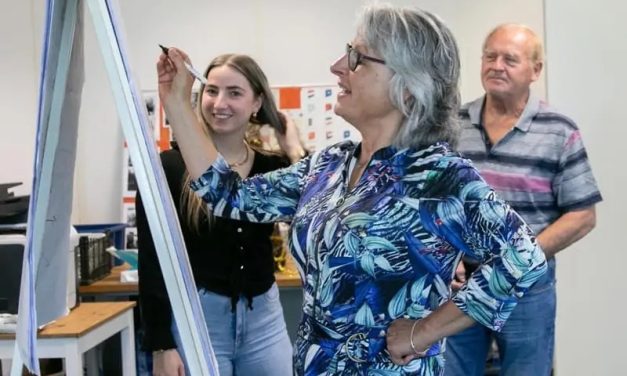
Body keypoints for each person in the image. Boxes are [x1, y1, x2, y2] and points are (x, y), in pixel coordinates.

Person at [156, 4, 548, 375]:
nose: (338, 67)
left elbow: (523, 259)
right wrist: (177, 104)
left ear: (409, 85)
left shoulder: (440, 175)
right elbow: (230, 196)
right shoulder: (331, 165)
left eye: (357, 57)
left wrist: (425, 330)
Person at [444, 24, 602, 376]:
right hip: (460, 284)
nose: (497, 65)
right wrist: (445, 251)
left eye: (510, 59)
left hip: (526, 287)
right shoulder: (452, 125)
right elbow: (434, 201)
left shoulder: (559, 130)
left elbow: (582, 215)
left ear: (535, 70)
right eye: (490, 56)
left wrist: (518, 258)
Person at [137, 53, 305, 376]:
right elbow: (154, 258)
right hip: (200, 318)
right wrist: (160, 344)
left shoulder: (272, 167)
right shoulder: (170, 167)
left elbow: (317, 209)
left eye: (234, 92)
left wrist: (293, 147)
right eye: (212, 90)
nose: (219, 102)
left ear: (257, 103)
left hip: (264, 318)